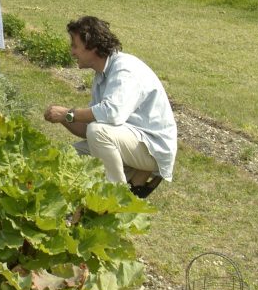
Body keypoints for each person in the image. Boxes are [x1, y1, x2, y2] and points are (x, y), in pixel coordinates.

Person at [44, 16, 177, 197]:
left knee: (98, 131)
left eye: (75, 45)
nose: (72, 52)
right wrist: (63, 119)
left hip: (153, 147)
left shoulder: (124, 69)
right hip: (130, 142)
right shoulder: (101, 75)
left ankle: (116, 197)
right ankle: (91, 204)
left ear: (93, 47)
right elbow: (89, 128)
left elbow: (112, 114)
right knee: (69, 156)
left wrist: (69, 113)